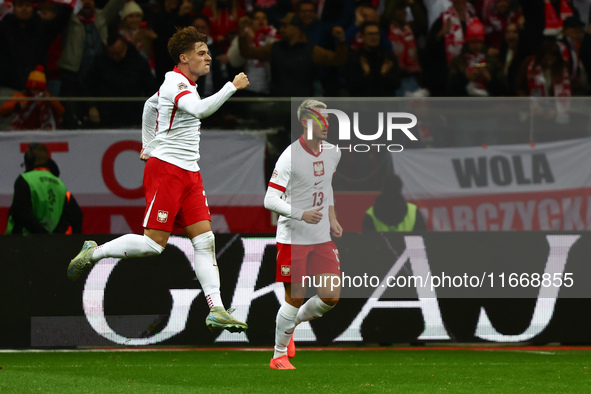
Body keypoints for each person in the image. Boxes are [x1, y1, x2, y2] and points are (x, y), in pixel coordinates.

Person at [66, 26, 250, 334]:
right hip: (167, 169)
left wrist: (147, 141)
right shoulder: (174, 81)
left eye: (208, 52)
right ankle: (93, 252)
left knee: (205, 241)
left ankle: (216, 309)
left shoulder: (184, 84)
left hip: (190, 172)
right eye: (201, 53)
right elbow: (201, 111)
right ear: (184, 57)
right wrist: (232, 86)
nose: (208, 57)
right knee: (154, 245)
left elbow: (149, 106)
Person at [264, 99, 343, 370]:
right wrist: (301, 213)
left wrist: (331, 217)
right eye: (321, 119)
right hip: (293, 236)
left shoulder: (333, 152)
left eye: (328, 119)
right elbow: (270, 200)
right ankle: (278, 356)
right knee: (295, 297)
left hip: (321, 235)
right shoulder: (289, 156)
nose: (327, 124)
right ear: (305, 122)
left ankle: (291, 325)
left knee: (331, 296)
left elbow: (326, 185)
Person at [6, 143, 82, 235]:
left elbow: (22, 213)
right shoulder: (60, 185)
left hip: (22, 242)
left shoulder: (25, 180)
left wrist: (41, 235)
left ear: (28, 162)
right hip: (51, 244)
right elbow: (71, 217)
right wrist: (51, 239)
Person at [0, 65, 65, 130]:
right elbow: (2, 111)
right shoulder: (20, 97)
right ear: (29, 88)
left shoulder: (47, 98)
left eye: (39, 89)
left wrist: (50, 99)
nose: (36, 92)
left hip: (42, 132)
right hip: (22, 131)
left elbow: (61, 111)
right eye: (34, 89)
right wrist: (17, 106)